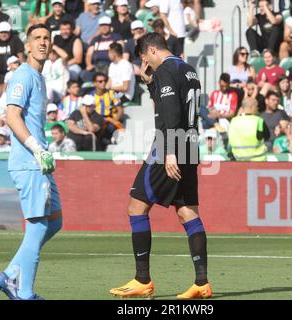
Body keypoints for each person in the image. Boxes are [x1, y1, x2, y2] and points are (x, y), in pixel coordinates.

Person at [110, 33, 212, 299]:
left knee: (136, 205)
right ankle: (202, 282)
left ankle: (142, 279)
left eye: (146, 60)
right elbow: (172, 102)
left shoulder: (166, 69)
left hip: (171, 145)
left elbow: (171, 113)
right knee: (187, 212)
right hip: (190, 144)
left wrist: (168, 152)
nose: (147, 65)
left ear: (152, 50)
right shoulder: (187, 69)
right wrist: (149, 84)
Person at [0, 24, 62, 301]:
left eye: (47, 38)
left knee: (55, 222)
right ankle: (24, 294)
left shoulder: (39, 77)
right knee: (38, 226)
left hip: (39, 162)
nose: (43, 42)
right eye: (37, 38)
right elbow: (12, 116)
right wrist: (36, 149)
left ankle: (10, 275)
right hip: (30, 161)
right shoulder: (23, 74)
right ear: (28, 46)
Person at [81, 16, 124, 82]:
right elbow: (89, 54)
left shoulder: (116, 37)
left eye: (106, 25)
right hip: (96, 66)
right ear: (99, 27)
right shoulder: (96, 39)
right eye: (102, 25)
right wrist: (89, 64)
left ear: (110, 26)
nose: (104, 27)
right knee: (84, 74)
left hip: (112, 65)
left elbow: (122, 51)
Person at [90, 72, 125, 148]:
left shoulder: (112, 93)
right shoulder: (91, 96)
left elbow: (120, 110)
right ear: (94, 83)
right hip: (96, 119)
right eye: (100, 81)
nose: (103, 83)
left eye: (105, 81)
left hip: (109, 119)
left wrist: (114, 120)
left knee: (111, 127)